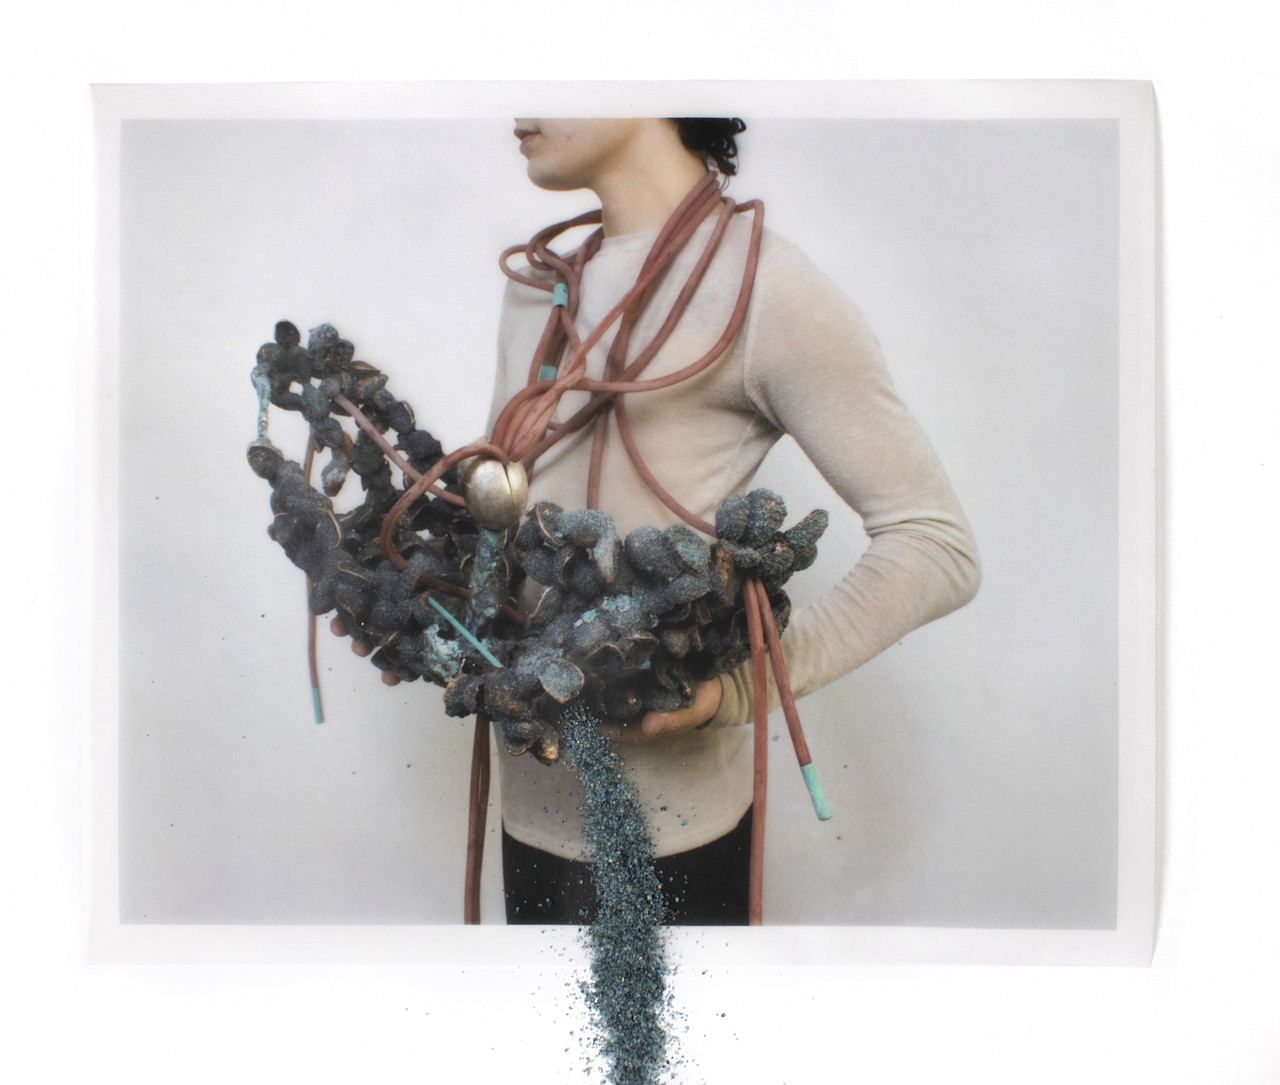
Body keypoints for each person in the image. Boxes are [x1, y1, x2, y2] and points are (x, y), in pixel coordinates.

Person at [485, 118, 982, 924]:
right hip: (527, 817)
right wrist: (414, 596)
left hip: (676, 842)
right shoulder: (538, 289)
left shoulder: (765, 287)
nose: (518, 98)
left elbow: (936, 545)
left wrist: (736, 692)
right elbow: (503, 529)